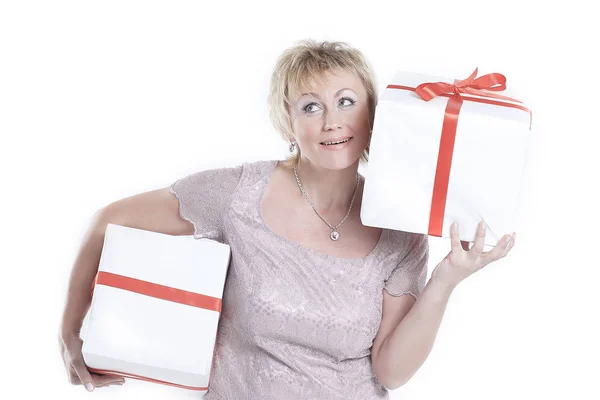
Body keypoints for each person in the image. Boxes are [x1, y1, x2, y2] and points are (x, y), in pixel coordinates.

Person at [58, 39, 516, 398]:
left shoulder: (400, 228)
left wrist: (446, 280)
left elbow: (390, 371)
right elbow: (107, 221)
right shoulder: (237, 194)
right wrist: (70, 330)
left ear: (376, 116)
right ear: (288, 124)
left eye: (346, 101)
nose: (331, 121)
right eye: (310, 106)